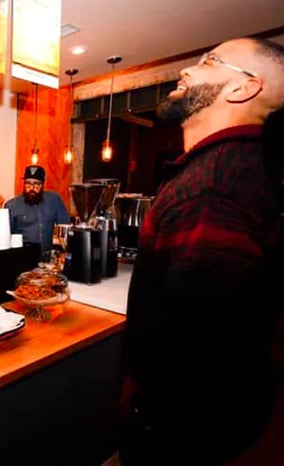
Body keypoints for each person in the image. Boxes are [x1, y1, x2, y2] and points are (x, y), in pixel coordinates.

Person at [119, 38, 284, 466]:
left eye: (210, 61)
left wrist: (143, 416)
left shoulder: (211, 188)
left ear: (244, 88)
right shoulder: (241, 169)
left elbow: (195, 355)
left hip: (183, 438)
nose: (188, 70)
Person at [3, 165, 70, 256]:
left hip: (47, 257)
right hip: (22, 257)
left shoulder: (54, 200)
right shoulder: (12, 205)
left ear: (43, 184)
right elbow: (5, 238)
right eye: (28, 183)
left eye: (36, 184)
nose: (31, 188)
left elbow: (65, 228)